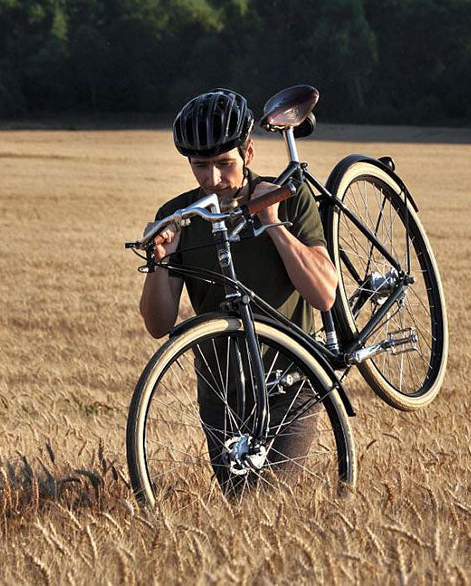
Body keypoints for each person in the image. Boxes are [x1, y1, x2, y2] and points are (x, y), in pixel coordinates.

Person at [138, 88, 337, 491]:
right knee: (240, 502)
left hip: (290, 377)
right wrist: (160, 261)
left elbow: (324, 294)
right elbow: (159, 324)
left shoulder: (289, 198)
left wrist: (273, 221)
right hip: (222, 388)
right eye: (199, 166)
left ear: (248, 154)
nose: (212, 179)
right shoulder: (180, 217)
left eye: (224, 164)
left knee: (267, 500)